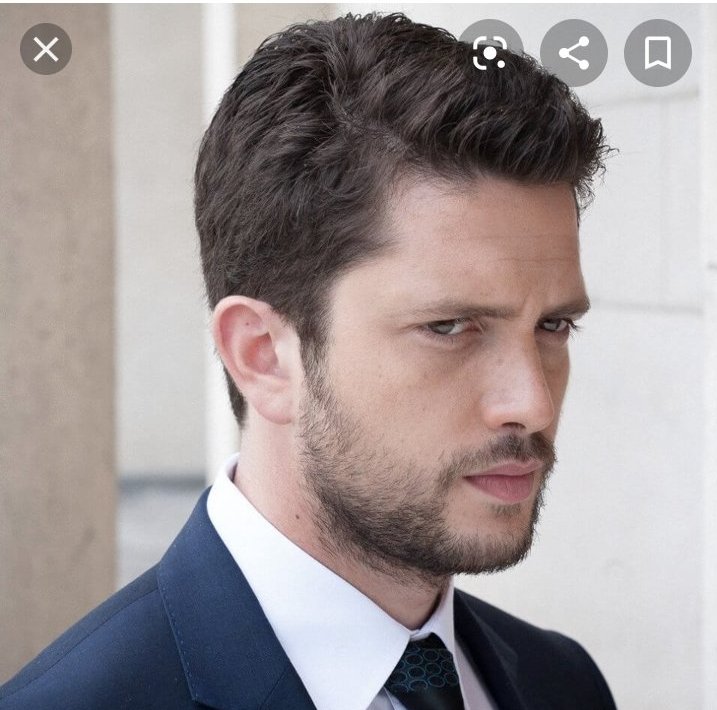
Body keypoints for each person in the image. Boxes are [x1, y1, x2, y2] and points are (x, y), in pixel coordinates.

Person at [0, 12, 617, 710]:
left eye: (553, 325)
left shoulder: (562, 683)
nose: (532, 402)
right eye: (449, 327)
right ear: (263, 356)